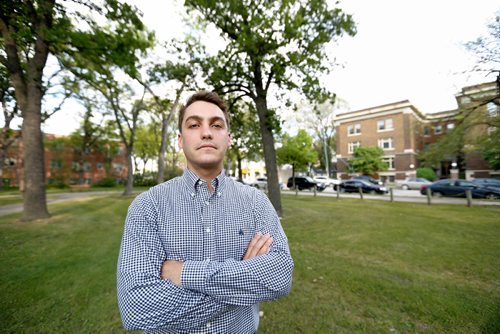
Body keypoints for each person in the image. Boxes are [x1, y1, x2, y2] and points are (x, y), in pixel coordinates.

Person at [117, 91, 294, 333]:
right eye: (194, 124)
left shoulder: (256, 203)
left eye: (216, 124)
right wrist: (243, 277)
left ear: (229, 138)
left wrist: (184, 273)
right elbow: (136, 307)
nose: (206, 132)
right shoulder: (148, 206)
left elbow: (281, 275)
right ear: (180, 140)